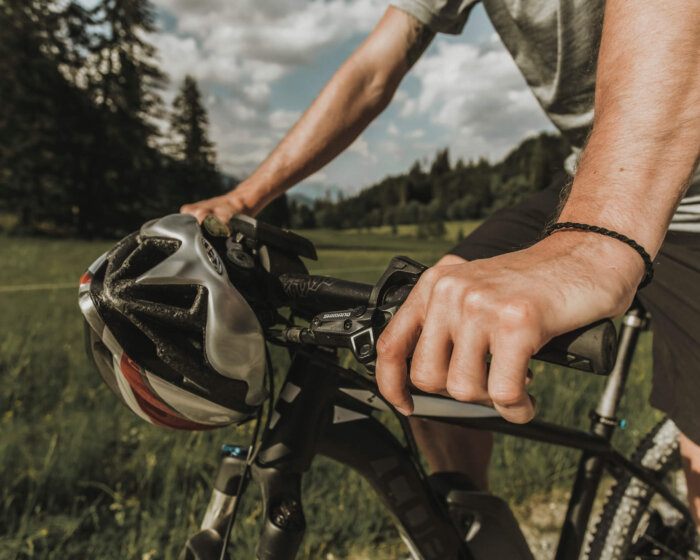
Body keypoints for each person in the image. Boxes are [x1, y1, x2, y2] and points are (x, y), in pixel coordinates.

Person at [181, 0, 700, 532]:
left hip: (681, 202)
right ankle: (472, 528)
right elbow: (371, 70)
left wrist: (594, 239)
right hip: (587, 180)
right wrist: (245, 199)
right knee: (422, 324)